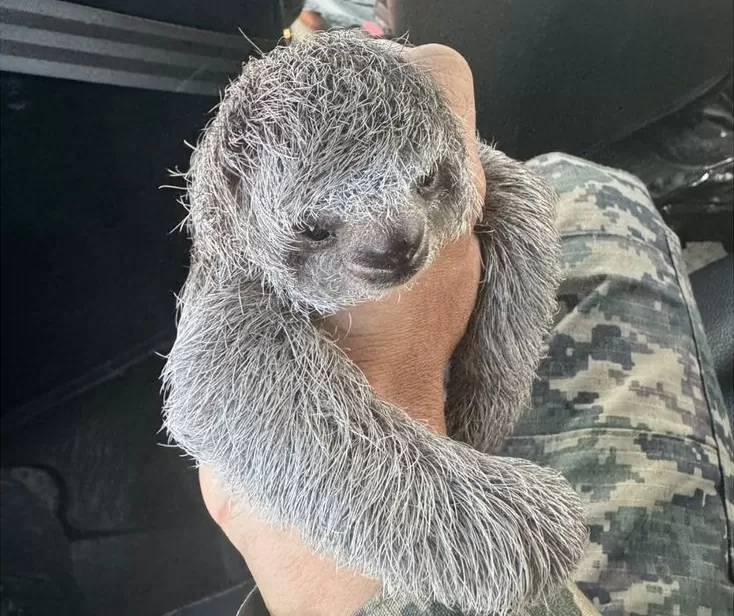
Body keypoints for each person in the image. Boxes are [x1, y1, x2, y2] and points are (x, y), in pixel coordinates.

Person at [196, 42, 734, 616]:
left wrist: (485, 398)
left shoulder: (445, 191)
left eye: (422, 181)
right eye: (318, 228)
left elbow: (504, 227)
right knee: (589, 185)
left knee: (571, 185)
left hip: (471, 432)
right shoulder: (238, 299)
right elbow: (226, 412)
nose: (397, 239)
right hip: (409, 523)